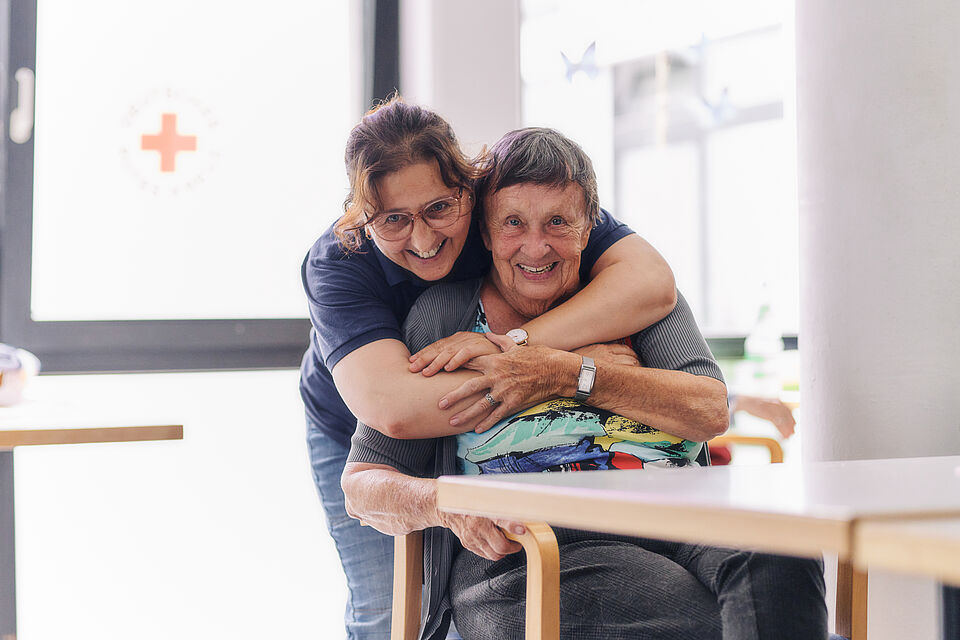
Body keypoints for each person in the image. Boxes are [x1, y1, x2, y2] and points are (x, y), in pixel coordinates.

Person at [342, 128, 829, 640]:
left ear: (588, 227)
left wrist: (567, 373)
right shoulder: (443, 321)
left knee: (783, 546)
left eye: (558, 222)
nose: (536, 246)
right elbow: (363, 483)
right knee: (705, 618)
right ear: (485, 234)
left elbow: (707, 410)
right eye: (513, 223)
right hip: (537, 551)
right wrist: (445, 503)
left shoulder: (629, 301)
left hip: (679, 515)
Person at [300, 96, 680, 639]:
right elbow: (395, 409)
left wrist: (526, 350)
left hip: (474, 430)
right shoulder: (339, 262)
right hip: (355, 432)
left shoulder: (507, 210)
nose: (426, 240)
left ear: (466, 185)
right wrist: (565, 366)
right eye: (394, 221)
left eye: (439, 209)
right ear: (362, 216)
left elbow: (651, 283)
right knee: (387, 610)